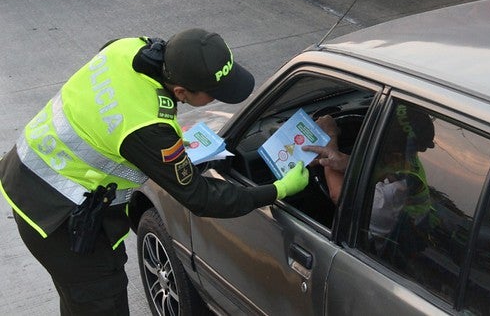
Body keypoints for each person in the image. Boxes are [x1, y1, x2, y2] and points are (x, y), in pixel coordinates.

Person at [0, 29, 308, 315]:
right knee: (101, 301)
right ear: (181, 90)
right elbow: (203, 199)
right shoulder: (146, 128)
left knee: (78, 301)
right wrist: (278, 190)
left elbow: (109, 107)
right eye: (214, 93)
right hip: (55, 214)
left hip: (27, 173)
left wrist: (159, 142)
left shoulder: (127, 47)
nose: (218, 98)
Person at [304, 104, 437, 258]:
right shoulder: (404, 156)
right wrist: (347, 162)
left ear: (393, 147)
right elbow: (374, 169)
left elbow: (340, 196)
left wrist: (329, 139)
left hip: (380, 252)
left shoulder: (396, 189)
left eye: (378, 133)